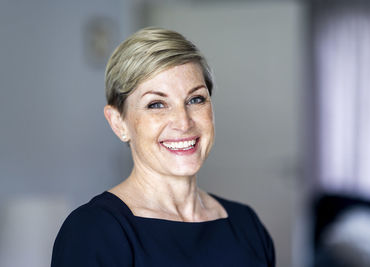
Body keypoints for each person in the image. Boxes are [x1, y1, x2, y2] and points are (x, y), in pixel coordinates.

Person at [51, 27, 275, 267]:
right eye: (156, 104)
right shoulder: (93, 231)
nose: (183, 122)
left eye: (195, 99)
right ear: (119, 123)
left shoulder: (245, 224)